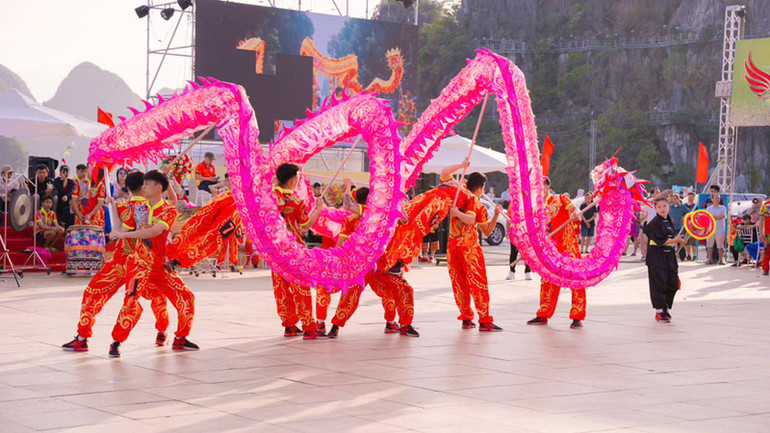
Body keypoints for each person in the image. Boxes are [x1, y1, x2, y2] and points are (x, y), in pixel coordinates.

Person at [61, 171, 169, 352]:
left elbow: (118, 232)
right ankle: (161, 331)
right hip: (143, 262)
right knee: (156, 297)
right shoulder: (154, 206)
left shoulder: (122, 206)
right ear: (144, 187)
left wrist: (114, 208)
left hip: (120, 261)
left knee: (93, 293)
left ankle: (82, 337)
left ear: (127, 187)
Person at [108, 170, 198, 357]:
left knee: (186, 297)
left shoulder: (167, 210)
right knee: (131, 299)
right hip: (138, 263)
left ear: (158, 187)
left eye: (147, 184)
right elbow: (121, 229)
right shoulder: (138, 208)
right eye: (144, 184)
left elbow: (154, 231)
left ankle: (180, 337)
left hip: (158, 265)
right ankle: (116, 341)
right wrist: (115, 224)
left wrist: (123, 234)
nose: (144, 186)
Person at [446, 170, 504, 332]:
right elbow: (486, 231)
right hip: (470, 250)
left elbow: (446, 175)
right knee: (478, 284)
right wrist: (495, 216)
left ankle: (466, 318)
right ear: (479, 189)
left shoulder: (457, 198)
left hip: (453, 248)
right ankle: (485, 320)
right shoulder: (476, 204)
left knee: (459, 284)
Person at [272, 163, 324, 339]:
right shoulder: (295, 202)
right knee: (301, 287)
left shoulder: (271, 199)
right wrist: (318, 210)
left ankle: (289, 325)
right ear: (293, 180)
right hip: (294, 250)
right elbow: (306, 226)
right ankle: (309, 326)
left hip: (275, 251)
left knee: (282, 288)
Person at [527, 177, 586, 329]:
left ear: (547, 187)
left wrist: (575, 216)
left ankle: (577, 316)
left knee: (575, 279)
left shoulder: (560, 199)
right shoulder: (537, 208)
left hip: (567, 246)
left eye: (541, 188)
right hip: (549, 249)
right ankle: (543, 313)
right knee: (547, 280)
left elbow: (574, 210)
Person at [316, 182, 370, 339]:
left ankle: (320, 322)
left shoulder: (351, 219)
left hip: (347, 260)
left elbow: (340, 244)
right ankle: (336, 326)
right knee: (352, 293)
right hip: (367, 264)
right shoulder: (374, 215)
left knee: (324, 286)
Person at [643, 198, 685, 323]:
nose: (662, 209)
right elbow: (659, 241)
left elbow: (673, 238)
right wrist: (675, 241)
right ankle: (660, 310)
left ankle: (665, 307)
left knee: (673, 282)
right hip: (656, 255)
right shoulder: (653, 223)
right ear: (655, 209)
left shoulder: (669, 220)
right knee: (659, 283)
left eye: (664, 206)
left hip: (669, 254)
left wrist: (677, 242)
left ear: (669, 207)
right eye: (659, 207)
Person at [705, 194, 727, 265]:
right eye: (716, 198)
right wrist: (716, 217)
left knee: (720, 246)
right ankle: (710, 259)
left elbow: (722, 216)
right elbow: (708, 217)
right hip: (710, 230)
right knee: (709, 245)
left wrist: (712, 216)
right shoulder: (709, 208)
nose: (717, 200)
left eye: (718, 198)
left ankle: (721, 260)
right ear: (712, 199)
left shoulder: (723, 208)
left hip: (720, 229)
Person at [667, 194, 689, 261]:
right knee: (671, 241)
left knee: (680, 241)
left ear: (678, 199)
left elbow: (689, 212)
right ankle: (671, 256)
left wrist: (684, 217)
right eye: (673, 199)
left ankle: (683, 256)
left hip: (679, 226)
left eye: (675, 199)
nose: (674, 200)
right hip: (671, 226)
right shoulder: (670, 207)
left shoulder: (681, 206)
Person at [682, 191, 699, 260]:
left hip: (693, 225)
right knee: (686, 241)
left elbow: (698, 215)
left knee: (693, 241)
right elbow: (682, 215)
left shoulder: (696, 206)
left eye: (692, 197)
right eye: (689, 197)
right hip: (686, 225)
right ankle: (688, 254)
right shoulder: (684, 206)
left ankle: (694, 255)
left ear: (694, 198)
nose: (690, 198)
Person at [760, 196, 770, 276]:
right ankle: (765, 268)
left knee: (766, 251)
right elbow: (761, 219)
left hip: (767, 232)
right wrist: (761, 232)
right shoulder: (765, 206)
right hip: (767, 232)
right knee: (766, 251)